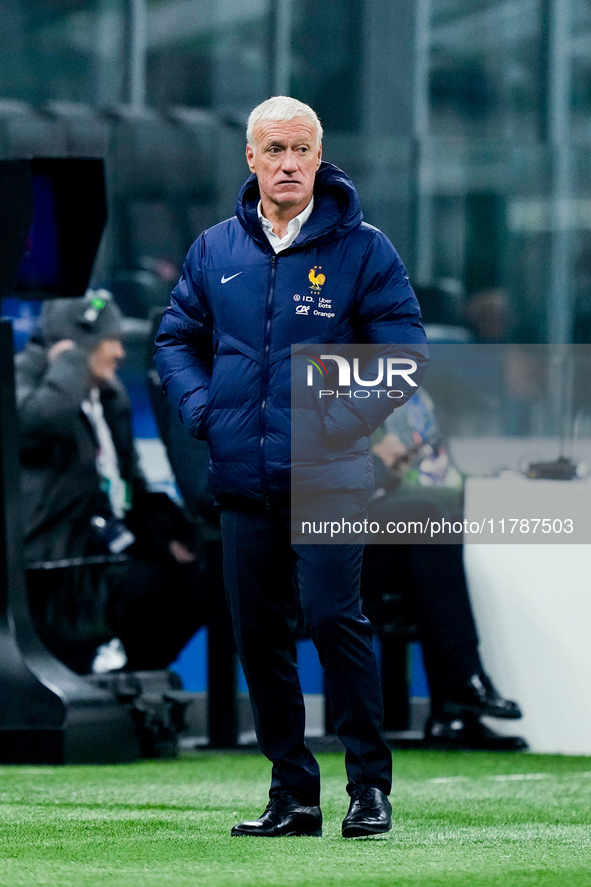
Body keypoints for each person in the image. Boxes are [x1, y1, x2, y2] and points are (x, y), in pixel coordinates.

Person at [155, 96, 427, 839]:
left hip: (331, 475)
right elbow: (174, 338)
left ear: (319, 157)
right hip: (243, 478)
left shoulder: (364, 249)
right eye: (273, 149)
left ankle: (368, 788)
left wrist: (333, 425)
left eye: (299, 149)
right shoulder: (215, 249)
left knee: (337, 619)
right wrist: (206, 412)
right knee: (259, 636)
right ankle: (293, 795)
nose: (286, 163)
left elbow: (402, 355)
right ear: (249, 158)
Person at [16, 289, 207, 674]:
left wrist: (167, 539)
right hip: (51, 566)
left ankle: (133, 681)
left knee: (196, 581)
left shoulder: (109, 399)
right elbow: (36, 423)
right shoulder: (21, 377)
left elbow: (129, 486)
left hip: (106, 553)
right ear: (80, 342)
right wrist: (69, 359)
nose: (120, 353)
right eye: (110, 341)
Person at [362, 390, 526, 750]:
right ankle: (462, 686)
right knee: (425, 519)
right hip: (316, 541)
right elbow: (310, 476)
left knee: (436, 528)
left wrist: (487, 484)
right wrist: (378, 464)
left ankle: (455, 709)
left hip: (377, 537)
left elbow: (435, 476)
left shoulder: (410, 400)